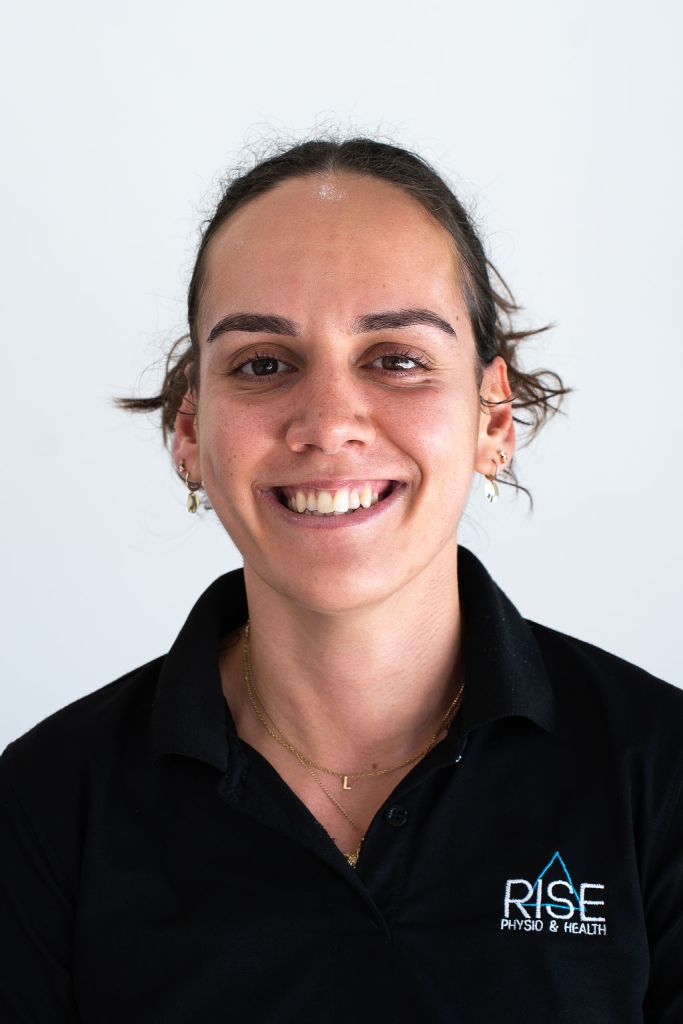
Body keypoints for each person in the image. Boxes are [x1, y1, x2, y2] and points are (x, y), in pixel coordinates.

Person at [1, 136, 681, 1023]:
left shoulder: (661, 774)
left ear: (493, 418)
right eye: (263, 364)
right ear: (189, 430)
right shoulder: (46, 803)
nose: (327, 423)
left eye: (395, 358)